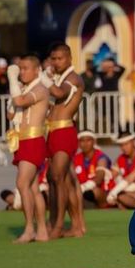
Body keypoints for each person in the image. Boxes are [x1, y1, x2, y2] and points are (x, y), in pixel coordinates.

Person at [5, 55, 50, 243]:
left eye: (25, 68)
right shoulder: (23, 89)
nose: (21, 72)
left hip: (33, 140)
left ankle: (30, 229)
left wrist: (12, 79)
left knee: (22, 184)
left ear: (37, 70)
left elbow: (21, 102)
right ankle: (41, 231)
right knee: (32, 187)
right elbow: (10, 114)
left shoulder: (40, 88)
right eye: (20, 68)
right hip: (22, 140)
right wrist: (14, 89)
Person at [44, 43, 85, 239]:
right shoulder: (60, 78)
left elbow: (59, 93)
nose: (56, 62)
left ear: (69, 58)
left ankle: (58, 226)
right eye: (53, 58)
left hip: (64, 132)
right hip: (52, 132)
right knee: (58, 179)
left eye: (60, 58)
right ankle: (73, 226)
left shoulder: (73, 78)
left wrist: (44, 79)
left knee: (58, 178)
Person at [107, 133, 135, 209]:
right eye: (121, 145)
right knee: (120, 196)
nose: (124, 148)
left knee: (121, 195)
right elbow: (111, 176)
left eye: (126, 144)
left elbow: (131, 178)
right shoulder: (120, 158)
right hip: (129, 193)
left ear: (133, 142)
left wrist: (113, 193)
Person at [73, 130, 112, 208]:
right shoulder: (76, 158)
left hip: (101, 193)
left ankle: (103, 210)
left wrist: (83, 188)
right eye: (82, 141)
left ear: (94, 141)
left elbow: (99, 178)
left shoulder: (101, 157)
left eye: (88, 140)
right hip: (81, 192)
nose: (85, 144)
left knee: (95, 191)